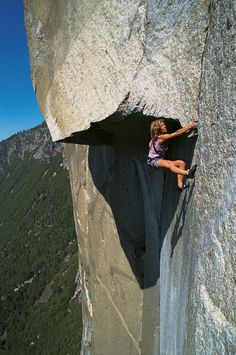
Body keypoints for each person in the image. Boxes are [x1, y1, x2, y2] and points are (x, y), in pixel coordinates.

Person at [147, 118, 198, 191]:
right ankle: (188, 173)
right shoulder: (162, 137)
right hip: (154, 161)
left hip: (158, 159)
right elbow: (177, 133)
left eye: (164, 124)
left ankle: (180, 185)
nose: (165, 126)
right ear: (158, 129)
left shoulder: (155, 139)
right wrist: (191, 126)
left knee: (181, 163)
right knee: (170, 165)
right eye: (162, 125)